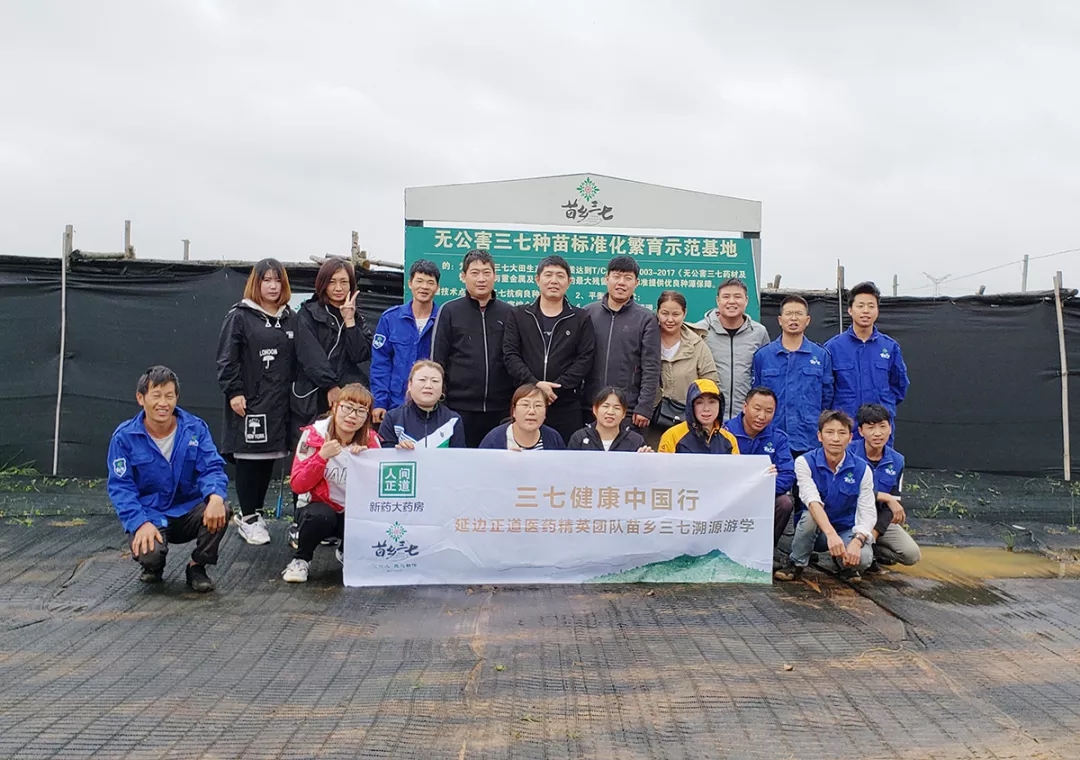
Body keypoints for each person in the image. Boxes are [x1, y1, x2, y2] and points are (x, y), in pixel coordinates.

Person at [106, 366, 230, 593]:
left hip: (187, 511)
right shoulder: (124, 437)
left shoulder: (195, 428)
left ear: (176, 398)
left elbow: (212, 467)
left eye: (169, 396)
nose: (163, 403)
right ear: (141, 398)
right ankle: (154, 566)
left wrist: (215, 497)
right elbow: (121, 487)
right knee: (150, 554)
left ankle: (197, 566)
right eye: (156, 395)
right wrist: (139, 523)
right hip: (151, 514)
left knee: (222, 508)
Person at [215, 258, 296, 546]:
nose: (273, 286)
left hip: (280, 403)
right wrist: (234, 391)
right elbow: (227, 359)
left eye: (277, 280)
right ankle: (248, 517)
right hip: (249, 402)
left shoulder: (290, 317)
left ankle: (256, 513)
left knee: (268, 457)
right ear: (256, 283)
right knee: (249, 458)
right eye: (266, 280)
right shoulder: (240, 316)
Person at [282, 383, 381, 583]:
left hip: (352, 511)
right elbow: (298, 485)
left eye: (361, 411)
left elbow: (379, 489)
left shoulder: (371, 441)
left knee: (371, 515)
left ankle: (348, 551)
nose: (352, 416)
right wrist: (321, 457)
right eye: (347, 407)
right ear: (335, 407)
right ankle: (301, 559)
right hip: (317, 507)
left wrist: (366, 463)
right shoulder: (313, 435)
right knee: (320, 516)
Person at [503, 255, 596, 443]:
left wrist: (555, 389)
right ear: (537, 279)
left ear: (569, 282)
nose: (554, 281)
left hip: (565, 404)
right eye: (548, 275)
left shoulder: (581, 318)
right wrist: (535, 385)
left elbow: (584, 359)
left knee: (564, 456)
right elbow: (510, 355)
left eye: (560, 276)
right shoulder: (519, 315)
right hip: (526, 403)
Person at [774, 411, 876, 583]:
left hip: (844, 530)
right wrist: (831, 534)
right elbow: (812, 501)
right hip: (815, 532)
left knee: (864, 559)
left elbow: (867, 511)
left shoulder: (862, 469)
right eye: (830, 432)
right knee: (810, 517)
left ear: (850, 438)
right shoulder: (805, 462)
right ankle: (796, 562)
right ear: (820, 436)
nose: (836, 438)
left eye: (842, 433)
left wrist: (858, 540)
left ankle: (843, 564)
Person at [431, 249, 515, 448]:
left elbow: (515, 357)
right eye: (474, 273)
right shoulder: (450, 311)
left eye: (486, 273)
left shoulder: (509, 312)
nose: (481, 279)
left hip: (500, 410)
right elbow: (438, 360)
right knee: (460, 463)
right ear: (463, 276)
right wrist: (441, 402)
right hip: (459, 408)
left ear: (495, 276)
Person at [291, 258, 373, 427]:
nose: (338, 288)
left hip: (348, 398)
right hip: (312, 396)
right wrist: (330, 385)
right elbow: (310, 355)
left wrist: (349, 321)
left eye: (344, 282)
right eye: (332, 282)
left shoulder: (356, 317)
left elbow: (360, 355)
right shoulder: (307, 313)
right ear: (323, 284)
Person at [584, 255, 661, 432]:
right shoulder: (588, 313)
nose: (621, 283)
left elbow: (651, 366)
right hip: (590, 407)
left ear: (636, 283)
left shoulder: (646, 319)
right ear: (606, 278)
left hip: (628, 410)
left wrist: (644, 406)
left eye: (628, 278)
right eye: (616, 276)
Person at [824, 281, 909, 440]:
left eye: (871, 306)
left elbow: (899, 385)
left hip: (878, 429)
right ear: (850, 310)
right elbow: (826, 390)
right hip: (845, 429)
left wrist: (886, 406)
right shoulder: (833, 347)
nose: (866, 311)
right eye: (860, 305)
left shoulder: (890, 347)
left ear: (877, 310)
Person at [751, 295, 833, 457]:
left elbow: (827, 397)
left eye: (799, 314)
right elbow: (756, 396)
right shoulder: (763, 356)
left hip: (809, 439)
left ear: (807, 320)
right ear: (780, 320)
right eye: (789, 314)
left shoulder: (821, 355)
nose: (793, 318)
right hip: (771, 437)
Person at [849, 403, 921, 572]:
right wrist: (884, 496)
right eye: (871, 427)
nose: (878, 433)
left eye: (882, 426)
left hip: (879, 519)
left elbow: (891, 507)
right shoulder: (848, 454)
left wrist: (873, 535)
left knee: (911, 555)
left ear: (890, 428)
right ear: (860, 431)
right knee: (859, 562)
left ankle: (873, 552)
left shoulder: (897, 460)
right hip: (850, 517)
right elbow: (848, 493)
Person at [370, 259, 441, 425]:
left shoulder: (444, 319)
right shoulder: (390, 318)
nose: (424, 287)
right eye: (419, 281)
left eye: (430, 282)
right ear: (410, 283)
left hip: (431, 405)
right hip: (395, 404)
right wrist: (380, 402)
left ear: (437, 287)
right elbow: (380, 363)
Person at [723, 387, 796, 547]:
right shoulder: (725, 433)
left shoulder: (778, 438)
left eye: (769, 411)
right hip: (730, 496)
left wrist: (759, 489)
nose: (762, 416)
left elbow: (787, 475)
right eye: (757, 409)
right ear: (745, 407)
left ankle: (765, 550)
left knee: (784, 503)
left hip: (764, 496)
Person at [693, 277, 770, 422]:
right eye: (726, 297)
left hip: (745, 419)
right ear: (718, 300)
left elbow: (764, 371)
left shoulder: (759, 332)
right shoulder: (700, 330)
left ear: (746, 300)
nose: (732, 301)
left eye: (737, 296)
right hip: (708, 416)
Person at [650, 290, 718, 447]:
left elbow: (711, 384)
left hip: (688, 423)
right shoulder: (646, 339)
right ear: (657, 312)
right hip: (651, 422)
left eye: (676, 314)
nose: (670, 320)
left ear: (684, 313)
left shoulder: (697, 345)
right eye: (664, 313)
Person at [378, 360, 466, 449]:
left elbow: (458, 456)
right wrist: (399, 451)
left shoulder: (453, 420)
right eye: (422, 380)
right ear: (410, 385)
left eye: (435, 381)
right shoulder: (393, 418)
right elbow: (384, 454)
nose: (428, 386)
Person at [657, 379, 740, 454]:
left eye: (712, 402)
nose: (706, 409)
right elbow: (663, 465)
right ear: (691, 406)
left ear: (720, 405)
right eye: (699, 402)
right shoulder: (672, 437)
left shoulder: (729, 440)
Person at [478, 383, 566, 451]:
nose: (531, 411)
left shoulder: (554, 438)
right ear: (514, 411)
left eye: (538, 406)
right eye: (525, 405)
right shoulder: (494, 439)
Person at [567, 387, 653, 452]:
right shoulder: (579, 438)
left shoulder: (635, 440)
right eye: (605, 406)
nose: (610, 412)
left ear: (624, 413)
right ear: (595, 410)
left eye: (617, 408)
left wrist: (646, 459)